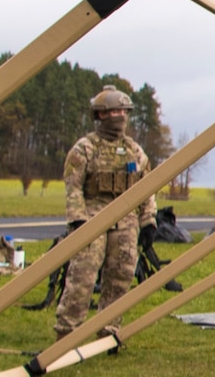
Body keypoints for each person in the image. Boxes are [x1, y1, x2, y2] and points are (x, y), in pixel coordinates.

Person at [54, 87, 156, 339]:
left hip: (126, 222)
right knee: (82, 277)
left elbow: (147, 187)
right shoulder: (85, 149)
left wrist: (149, 220)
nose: (120, 116)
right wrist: (78, 220)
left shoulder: (134, 151)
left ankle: (109, 331)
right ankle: (67, 332)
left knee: (121, 276)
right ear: (100, 115)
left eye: (124, 111)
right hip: (92, 219)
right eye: (114, 111)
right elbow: (73, 186)